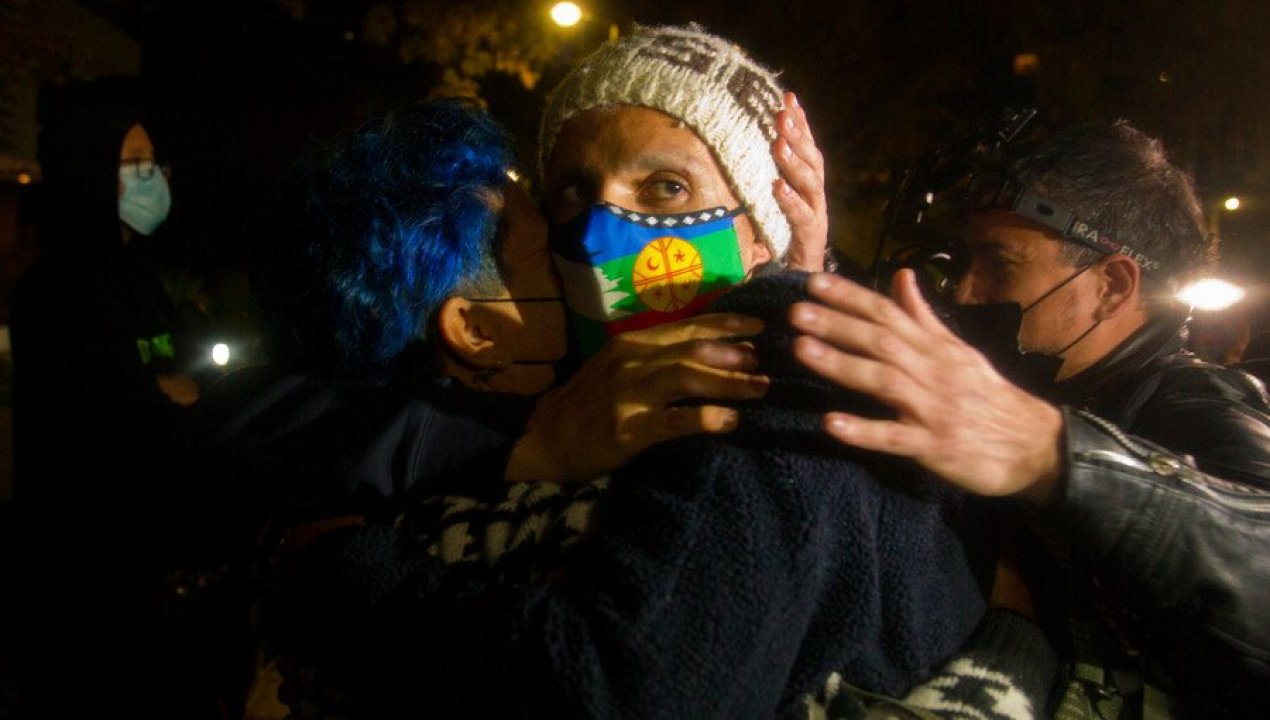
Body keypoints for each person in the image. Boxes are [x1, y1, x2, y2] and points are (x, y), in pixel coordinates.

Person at [254, 28, 1058, 720]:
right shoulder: (582, 408)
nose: (602, 230)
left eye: (666, 187)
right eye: (572, 193)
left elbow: (627, 690)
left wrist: (331, 573)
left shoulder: (755, 372)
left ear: (760, 228)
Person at [790, 120, 1270, 714]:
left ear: (1111, 286)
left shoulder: (1193, 400)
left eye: (999, 264)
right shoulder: (1027, 375)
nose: (965, 292)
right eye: (967, 261)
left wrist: (1051, 452)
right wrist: (810, 271)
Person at [8, 78, 229, 717]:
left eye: (153, 163)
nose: (152, 178)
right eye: (134, 164)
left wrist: (173, 393)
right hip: (82, 584)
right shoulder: (54, 293)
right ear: (89, 175)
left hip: (157, 572)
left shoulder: (143, 284)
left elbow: (190, 382)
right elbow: (121, 417)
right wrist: (166, 395)